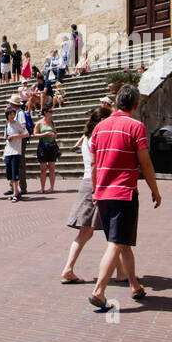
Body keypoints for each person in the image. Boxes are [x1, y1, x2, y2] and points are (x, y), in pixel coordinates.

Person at [88, 84, 161, 311]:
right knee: (117, 242)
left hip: (103, 193)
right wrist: (155, 189)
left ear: (117, 102)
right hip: (123, 193)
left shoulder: (99, 128)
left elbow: (93, 164)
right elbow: (145, 162)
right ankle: (99, 291)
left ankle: (134, 285)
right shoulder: (135, 126)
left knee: (123, 242)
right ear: (136, 105)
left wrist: (95, 190)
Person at [62, 104, 112, 283]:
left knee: (104, 231)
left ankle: (122, 272)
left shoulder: (86, 136)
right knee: (91, 232)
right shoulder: (95, 138)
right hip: (95, 183)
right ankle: (68, 269)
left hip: (89, 183)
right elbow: (96, 164)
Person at [2, 98, 28, 200]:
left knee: (15, 171)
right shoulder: (6, 125)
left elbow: (25, 133)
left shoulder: (18, 121)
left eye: (13, 114)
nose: (12, 116)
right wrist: (4, 152)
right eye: (10, 115)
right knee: (9, 173)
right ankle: (14, 190)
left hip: (16, 150)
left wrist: (16, 136)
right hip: (9, 151)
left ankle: (16, 192)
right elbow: (6, 140)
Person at [35, 107, 60, 193]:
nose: (51, 113)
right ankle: (42, 188)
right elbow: (35, 135)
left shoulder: (52, 123)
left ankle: (52, 187)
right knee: (43, 168)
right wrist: (45, 134)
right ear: (45, 112)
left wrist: (54, 135)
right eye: (50, 111)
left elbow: (56, 133)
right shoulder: (39, 123)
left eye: (52, 111)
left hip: (52, 146)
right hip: (43, 146)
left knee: (52, 167)